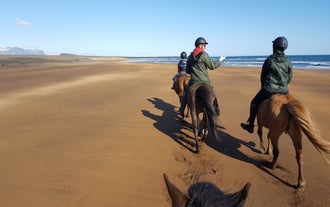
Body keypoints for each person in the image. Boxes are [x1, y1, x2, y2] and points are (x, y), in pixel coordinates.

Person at [241, 36, 292, 133]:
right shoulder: (288, 61)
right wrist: (283, 85)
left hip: (269, 89)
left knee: (254, 102)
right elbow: (289, 77)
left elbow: (263, 76)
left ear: (275, 47)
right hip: (284, 90)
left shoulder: (270, 60)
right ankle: (288, 126)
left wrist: (263, 86)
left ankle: (251, 125)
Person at [179, 37, 226, 117]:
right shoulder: (204, 55)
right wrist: (220, 61)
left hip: (193, 81)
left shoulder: (190, 57)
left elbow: (187, 71)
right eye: (204, 45)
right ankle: (216, 110)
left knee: (186, 93)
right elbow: (212, 66)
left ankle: (182, 109)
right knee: (213, 93)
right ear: (200, 45)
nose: (205, 47)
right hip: (205, 81)